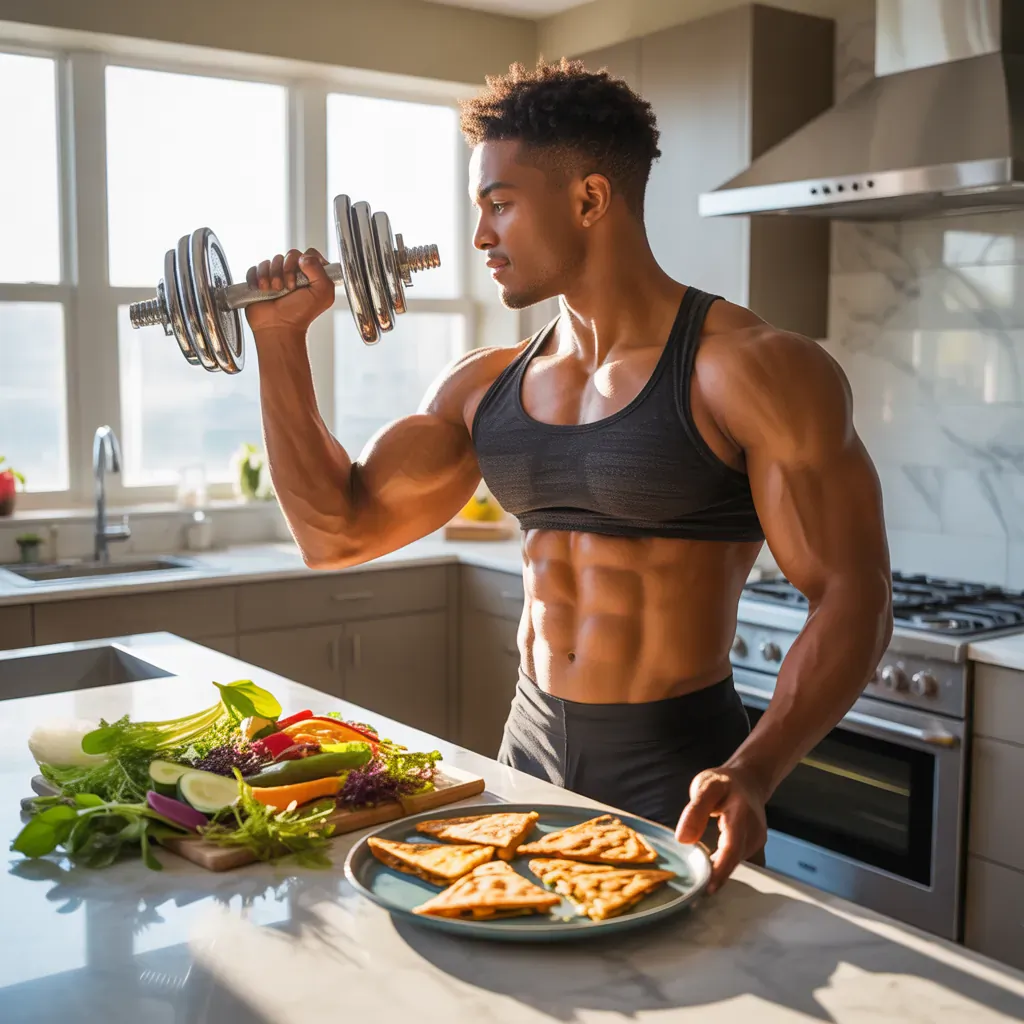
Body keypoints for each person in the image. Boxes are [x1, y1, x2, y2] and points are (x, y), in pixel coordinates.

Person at [243, 59, 893, 894]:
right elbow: (334, 536)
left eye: (500, 204)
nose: (481, 237)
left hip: (681, 775)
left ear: (589, 199)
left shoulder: (750, 369)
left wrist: (756, 769)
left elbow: (856, 594)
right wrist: (278, 343)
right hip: (525, 755)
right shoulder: (485, 386)